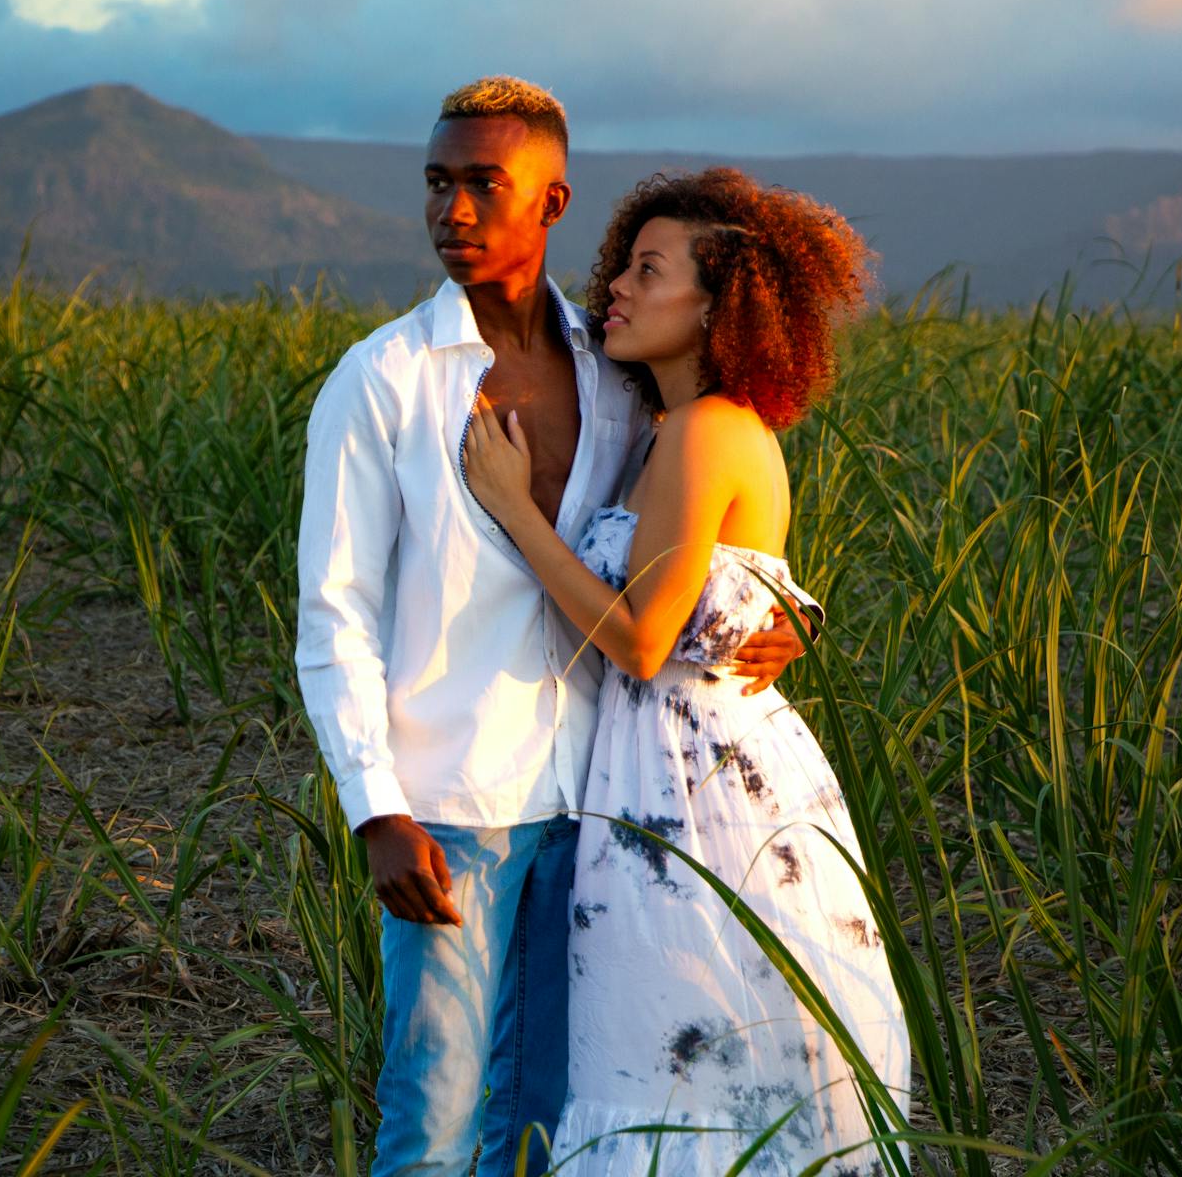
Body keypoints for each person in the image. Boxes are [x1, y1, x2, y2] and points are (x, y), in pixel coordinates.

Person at [294, 79, 810, 1176]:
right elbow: (332, 611)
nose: (454, 211)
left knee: (547, 1113)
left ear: (553, 199)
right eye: (438, 183)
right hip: (451, 806)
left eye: (485, 184)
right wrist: (373, 806)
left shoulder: (620, 377)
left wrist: (775, 616)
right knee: (429, 1117)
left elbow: (689, 544)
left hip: (598, 795)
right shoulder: (381, 381)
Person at [463, 168, 910, 1173]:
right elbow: (733, 591)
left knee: (684, 1054)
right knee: (691, 1059)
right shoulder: (677, 426)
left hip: (696, 795)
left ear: (720, 304)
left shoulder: (709, 428)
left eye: (648, 269)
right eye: (622, 260)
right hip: (674, 774)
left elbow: (644, 639)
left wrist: (513, 507)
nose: (615, 283)